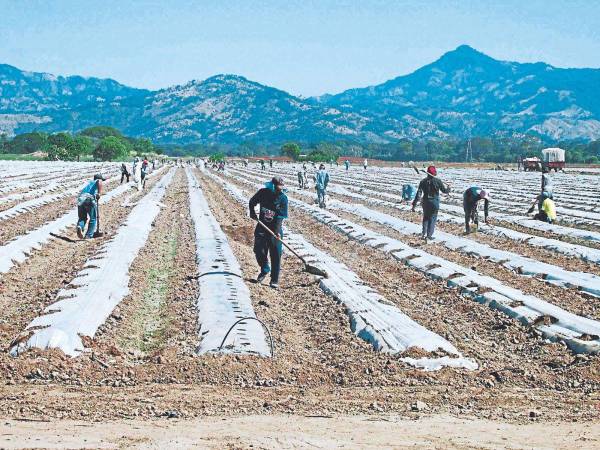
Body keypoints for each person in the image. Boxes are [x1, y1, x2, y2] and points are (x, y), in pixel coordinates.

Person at [249, 177, 288, 289]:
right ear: (271, 186)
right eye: (276, 188)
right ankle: (265, 268)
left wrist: (276, 232)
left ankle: (274, 279)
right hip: (262, 226)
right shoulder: (263, 193)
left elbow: (280, 217)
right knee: (258, 250)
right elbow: (252, 202)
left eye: (280, 188)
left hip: (275, 228)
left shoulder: (283, 198)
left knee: (276, 254)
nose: (278, 190)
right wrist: (252, 212)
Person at [412, 166, 450, 240]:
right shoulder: (438, 181)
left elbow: (418, 194)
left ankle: (423, 233)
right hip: (434, 202)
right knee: (432, 218)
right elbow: (444, 191)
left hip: (425, 202)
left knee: (426, 217)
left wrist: (414, 204)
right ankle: (429, 236)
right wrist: (449, 188)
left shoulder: (422, 181)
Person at [76, 174, 105, 239]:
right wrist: (99, 194)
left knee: (82, 217)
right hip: (89, 199)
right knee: (93, 218)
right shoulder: (97, 181)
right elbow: (99, 181)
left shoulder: (88, 184)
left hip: (80, 199)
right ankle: (88, 236)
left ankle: (80, 226)